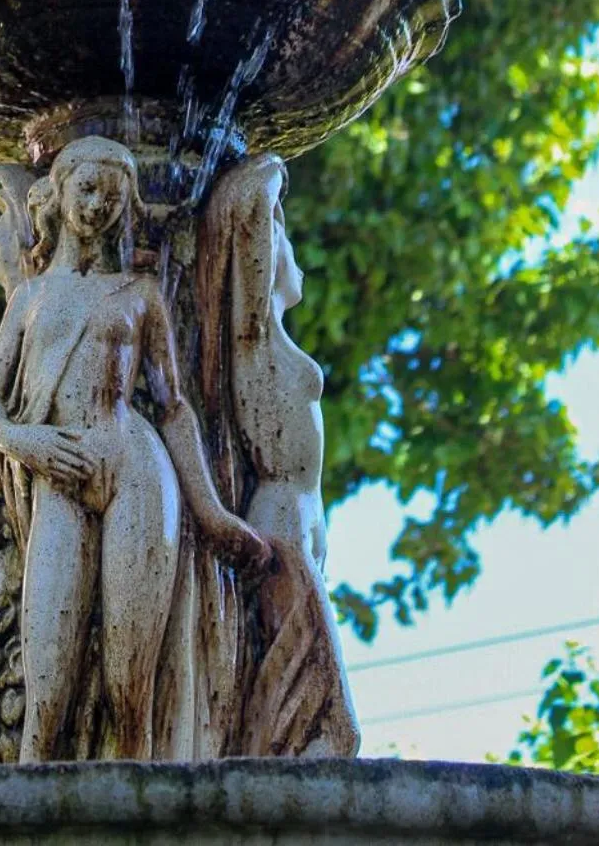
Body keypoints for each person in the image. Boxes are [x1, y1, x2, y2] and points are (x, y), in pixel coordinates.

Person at [0, 136, 267, 761]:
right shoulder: (31, 298)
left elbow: (174, 407)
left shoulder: (139, 294)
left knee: (129, 688)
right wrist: (32, 443)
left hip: (136, 470)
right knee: (45, 684)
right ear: (61, 193)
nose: (99, 202)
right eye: (87, 187)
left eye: (112, 192)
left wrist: (212, 514)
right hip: (59, 473)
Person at [199, 154, 360, 757]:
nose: (288, 246)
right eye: (278, 233)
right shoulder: (252, 334)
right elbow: (245, 217)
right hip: (280, 512)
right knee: (330, 714)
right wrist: (268, 174)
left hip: (305, 517)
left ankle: (265, 763)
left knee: (296, 673)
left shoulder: (278, 339)